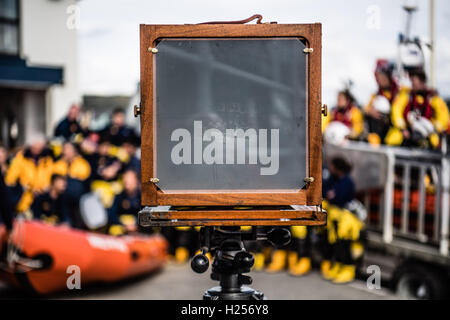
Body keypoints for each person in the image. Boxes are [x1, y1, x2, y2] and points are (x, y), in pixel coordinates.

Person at [321, 157, 364, 284]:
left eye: (332, 166)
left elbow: (339, 198)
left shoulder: (347, 181)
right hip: (335, 218)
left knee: (345, 243)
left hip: (346, 219)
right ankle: (338, 265)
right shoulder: (333, 179)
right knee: (336, 244)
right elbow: (325, 192)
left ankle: (348, 268)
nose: (330, 168)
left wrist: (331, 197)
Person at [388, 69, 449, 149]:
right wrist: (402, 128)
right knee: (394, 138)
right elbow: (396, 110)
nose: (411, 83)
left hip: (428, 135)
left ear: (422, 82)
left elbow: (443, 116)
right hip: (409, 133)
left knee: (434, 142)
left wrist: (434, 128)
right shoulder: (406, 96)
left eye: (414, 81)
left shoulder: (433, 98)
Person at [5, 134, 54, 215]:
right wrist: (22, 186)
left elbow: (52, 175)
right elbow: (10, 179)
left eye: (40, 145)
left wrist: (46, 188)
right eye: (35, 145)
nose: (38, 148)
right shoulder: (20, 158)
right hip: (25, 198)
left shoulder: (48, 159)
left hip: (44, 197)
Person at [53, 142, 91, 228]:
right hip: (61, 194)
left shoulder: (82, 163)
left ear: (74, 151)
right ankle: (64, 221)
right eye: (65, 149)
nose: (66, 152)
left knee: (72, 186)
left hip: (77, 196)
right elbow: (55, 177)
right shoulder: (59, 163)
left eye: (68, 149)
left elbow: (82, 179)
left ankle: (70, 223)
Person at [364, 59, 399, 145]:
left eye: (382, 77)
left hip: (395, 131)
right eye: (378, 77)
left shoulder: (400, 92)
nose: (379, 80)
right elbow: (366, 108)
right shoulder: (376, 95)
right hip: (379, 132)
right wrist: (369, 111)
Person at [107, 170, 141, 235]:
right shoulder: (118, 197)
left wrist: (136, 224)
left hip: (138, 229)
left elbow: (147, 216)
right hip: (121, 228)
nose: (127, 186)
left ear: (136, 182)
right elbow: (111, 215)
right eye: (126, 182)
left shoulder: (142, 198)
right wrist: (124, 225)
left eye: (130, 183)